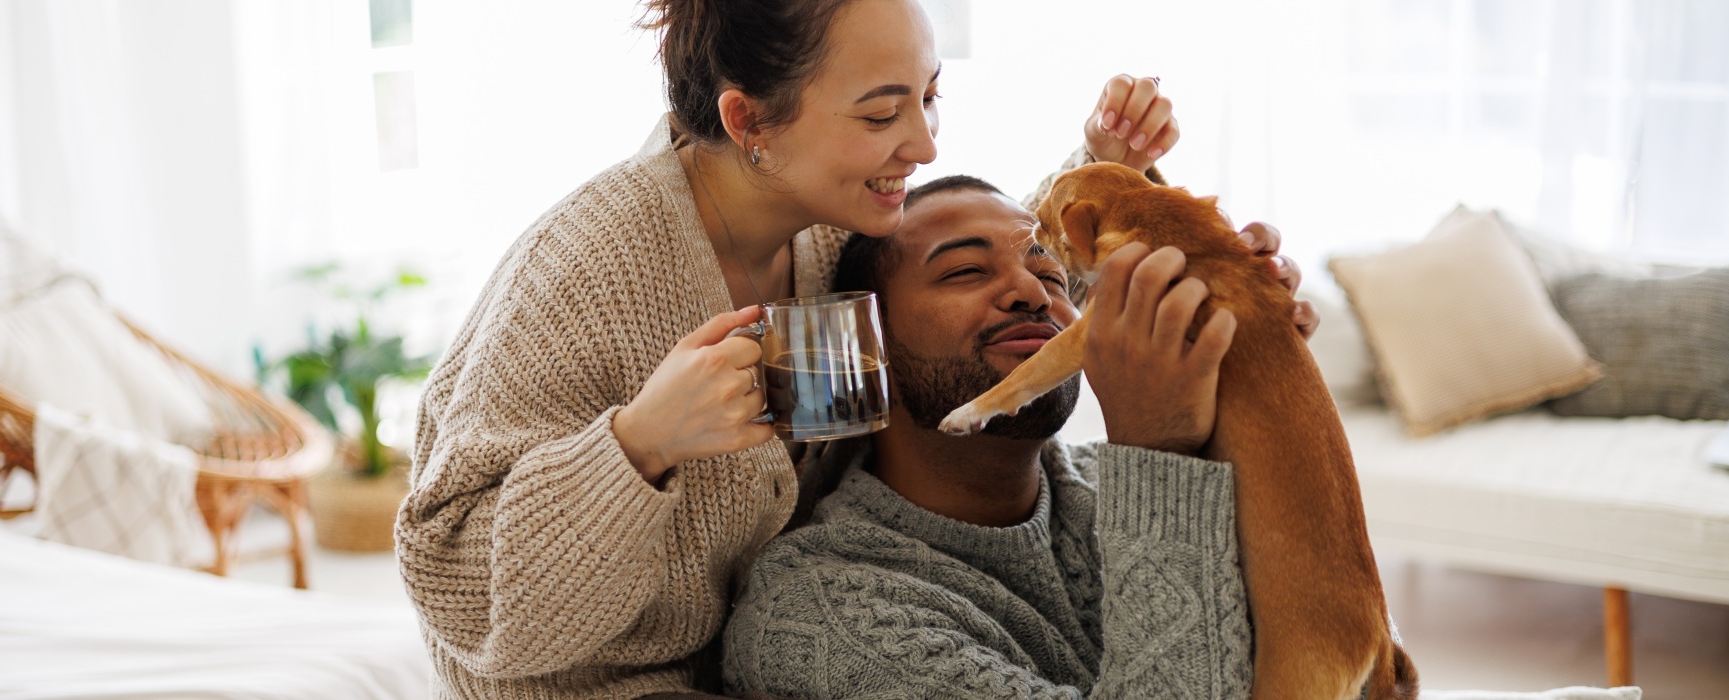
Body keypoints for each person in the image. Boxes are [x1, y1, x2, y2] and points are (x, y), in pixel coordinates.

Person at [394, 0, 1195, 697]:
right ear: (748, 122)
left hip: (774, 652)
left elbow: (954, 283)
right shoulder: (586, 271)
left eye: (929, 96)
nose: (923, 144)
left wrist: (1101, 170)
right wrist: (638, 446)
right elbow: (453, 581)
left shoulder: (828, 215)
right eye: (882, 115)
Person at [720, 175, 1321, 698]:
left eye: (1051, 274)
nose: (1034, 294)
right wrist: (1157, 454)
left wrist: (1260, 391)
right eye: (965, 271)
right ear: (859, 349)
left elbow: (1352, 654)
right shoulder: (821, 612)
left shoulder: (1117, 485)